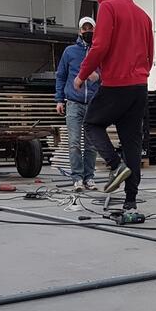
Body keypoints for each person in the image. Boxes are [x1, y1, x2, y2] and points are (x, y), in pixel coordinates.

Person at [74, 0, 154, 209]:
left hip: (116, 84)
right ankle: (130, 202)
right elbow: (150, 55)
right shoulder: (143, 16)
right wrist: (140, 75)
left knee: (91, 123)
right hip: (139, 87)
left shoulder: (108, 7)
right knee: (132, 143)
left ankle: (115, 165)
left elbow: (100, 47)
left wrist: (82, 75)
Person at [55, 16, 100, 191]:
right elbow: (61, 76)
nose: (88, 31)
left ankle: (89, 177)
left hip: (93, 104)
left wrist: (98, 77)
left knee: (91, 144)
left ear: (95, 30)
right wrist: (59, 99)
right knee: (74, 142)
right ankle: (77, 178)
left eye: (90, 28)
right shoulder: (70, 52)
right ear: (79, 31)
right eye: (84, 28)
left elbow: (108, 74)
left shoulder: (99, 51)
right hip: (74, 103)